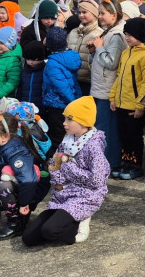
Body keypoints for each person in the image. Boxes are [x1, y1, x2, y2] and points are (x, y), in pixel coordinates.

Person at [23, 97, 109, 247]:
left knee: (50, 231)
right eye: (65, 118)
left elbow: (97, 180)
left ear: (84, 122)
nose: (64, 123)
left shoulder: (93, 146)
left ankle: (81, 219)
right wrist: (59, 182)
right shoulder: (67, 140)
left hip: (85, 195)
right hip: (63, 194)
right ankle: (66, 218)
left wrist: (67, 166)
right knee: (29, 238)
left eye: (69, 119)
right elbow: (54, 163)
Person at [0, 110, 40, 241]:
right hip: (19, 188)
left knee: (3, 186)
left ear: (5, 136)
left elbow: (28, 181)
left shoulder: (16, 151)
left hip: (31, 191)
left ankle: (16, 224)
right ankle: (12, 211)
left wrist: (25, 204)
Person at [110, 16, 145, 180]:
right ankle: (126, 162)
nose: (127, 37)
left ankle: (136, 165)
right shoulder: (125, 52)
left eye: (131, 34)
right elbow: (119, 76)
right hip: (121, 103)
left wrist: (140, 105)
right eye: (126, 34)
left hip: (133, 106)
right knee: (123, 135)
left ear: (141, 36)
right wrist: (113, 96)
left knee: (134, 136)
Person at [88, 0, 127, 176]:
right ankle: (104, 161)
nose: (100, 17)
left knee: (106, 129)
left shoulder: (116, 36)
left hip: (107, 90)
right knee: (101, 126)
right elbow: (100, 60)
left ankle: (110, 162)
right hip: (100, 88)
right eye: (99, 13)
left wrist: (100, 48)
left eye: (103, 13)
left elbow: (111, 63)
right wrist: (93, 51)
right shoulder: (108, 33)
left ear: (114, 15)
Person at [40, 26, 82, 151]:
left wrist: (72, 102)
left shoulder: (53, 63)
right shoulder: (71, 57)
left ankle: (58, 161)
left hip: (57, 104)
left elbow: (61, 86)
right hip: (70, 101)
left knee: (57, 134)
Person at [68, 0, 102, 97]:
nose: (81, 15)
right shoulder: (73, 32)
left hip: (89, 82)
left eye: (85, 12)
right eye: (79, 12)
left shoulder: (99, 34)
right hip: (72, 80)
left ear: (94, 14)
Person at [17, 40, 47, 109]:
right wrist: (18, 101)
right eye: (28, 59)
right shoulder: (24, 71)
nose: (30, 62)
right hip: (24, 107)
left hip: (40, 107)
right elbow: (20, 89)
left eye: (34, 59)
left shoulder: (45, 71)